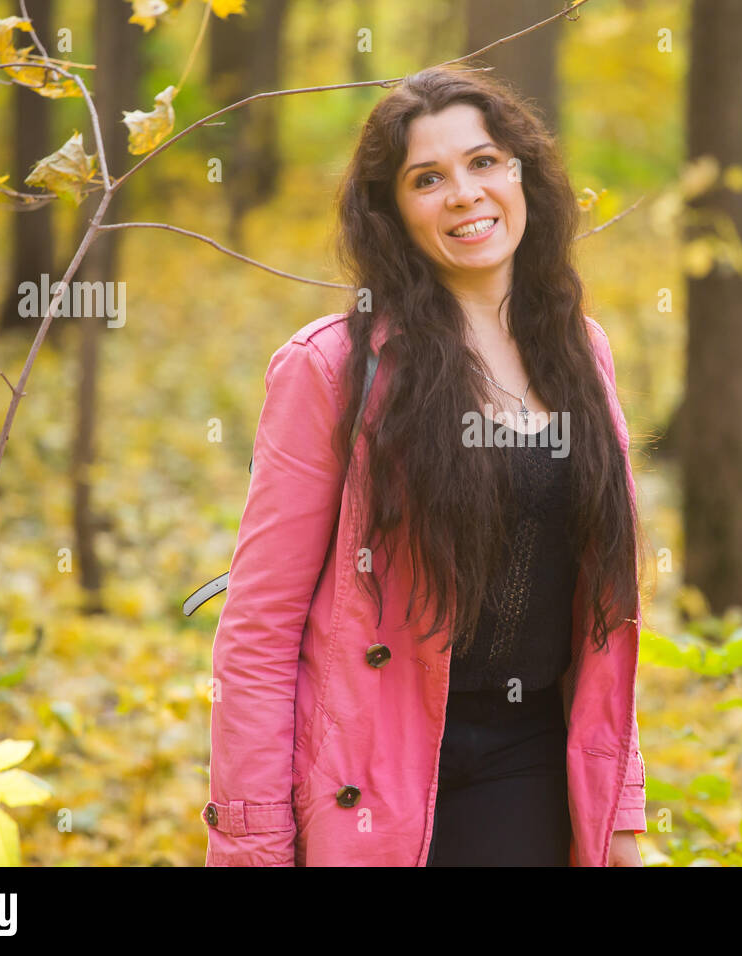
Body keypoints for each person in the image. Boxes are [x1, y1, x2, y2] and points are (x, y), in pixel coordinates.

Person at [202, 65, 648, 867]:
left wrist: (620, 809)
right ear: (393, 213)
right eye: (427, 179)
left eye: (484, 162)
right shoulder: (333, 369)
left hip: (530, 765)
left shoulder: (581, 351)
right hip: (378, 769)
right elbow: (258, 633)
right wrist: (254, 844)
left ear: (523, 174)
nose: (465, 194)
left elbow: (601, 614)